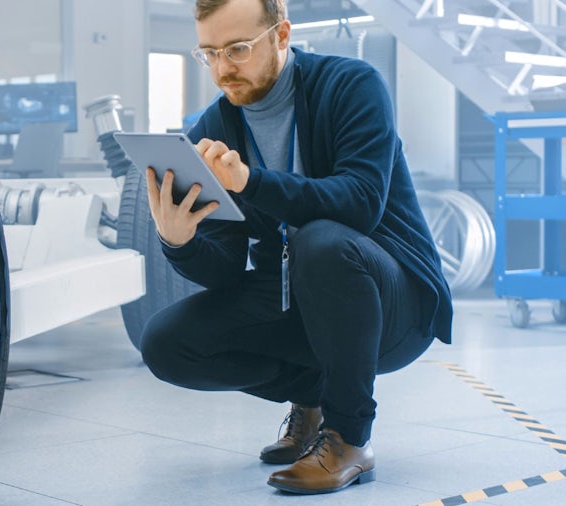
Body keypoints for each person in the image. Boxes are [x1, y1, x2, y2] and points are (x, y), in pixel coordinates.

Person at [139, 0, 453, 495]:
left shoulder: (353, 86)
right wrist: (179, 243)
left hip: (392, 301)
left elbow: (361, 203)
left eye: (238, 49)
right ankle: (313, 398)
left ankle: (349, 439)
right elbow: (223, 267)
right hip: (297, 298)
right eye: (210, 54)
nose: (223, 69)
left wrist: (250, 181)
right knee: (166, 343)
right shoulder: (214, 127)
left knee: (323, 240)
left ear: (281, 35)